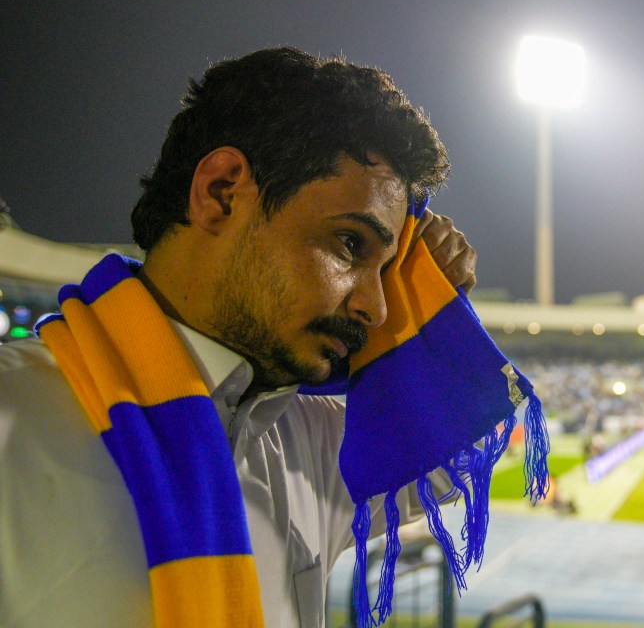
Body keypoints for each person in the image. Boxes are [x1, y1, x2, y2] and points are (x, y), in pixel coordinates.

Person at [0, 47, 482, 627]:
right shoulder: (13, 420)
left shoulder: (300, 445)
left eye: (386, 270)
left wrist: (429, 295)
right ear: (222, 191)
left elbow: (445, 448)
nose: (375, 307)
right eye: (350, 245)